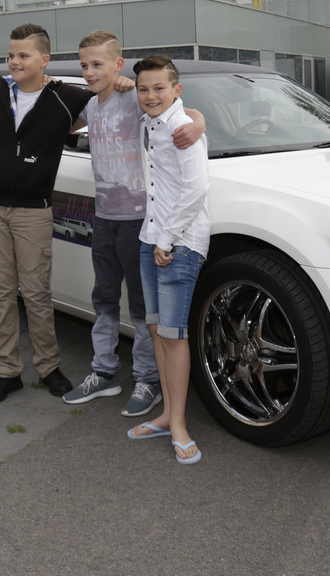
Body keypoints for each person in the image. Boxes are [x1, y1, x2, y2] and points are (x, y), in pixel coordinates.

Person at [62, 30, 204, 417]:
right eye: (84, 66)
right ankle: (104, 371)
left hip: (139, 220)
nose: (90, 72)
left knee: (141, 307)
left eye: (98, 64)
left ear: (118, 64)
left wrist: (199, 121)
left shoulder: (135, 97)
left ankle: (147, 378)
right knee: (104, 297)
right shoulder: (90, 106)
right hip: (104, 217)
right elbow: (61, 120)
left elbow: (179, 108)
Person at [0, 24, 97, 404]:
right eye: (11, 55)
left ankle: (48, 366)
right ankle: (7, 372)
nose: (15, 62)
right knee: (0, 292)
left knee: (36, 292)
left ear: (44, 59)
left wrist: (193, 117)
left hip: (33, 211)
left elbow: (114, 99)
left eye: (23, 55)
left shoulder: (68, 97)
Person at [126, 55, 209, 465]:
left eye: (160, 87)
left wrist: (168, 238)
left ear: (176, 90)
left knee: (175, 336)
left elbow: (196, 190)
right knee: (157, 329)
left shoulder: (182, 128)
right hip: (151, 237)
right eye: (143, 88)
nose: (150, 95)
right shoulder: (149, 122)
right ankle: (165, 415)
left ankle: (178, 424)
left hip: (179, 242)